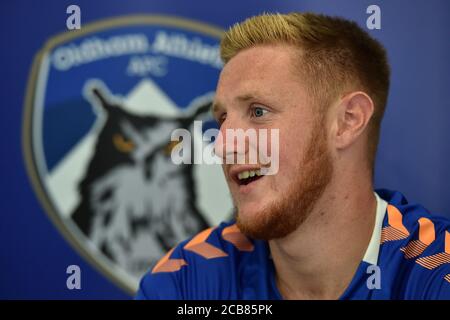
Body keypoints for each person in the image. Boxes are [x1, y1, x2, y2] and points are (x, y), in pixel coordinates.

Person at [136, 12, 450, 299]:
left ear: (347, 121)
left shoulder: (435, 271)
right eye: (222, 119)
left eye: (258, 111)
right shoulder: (184, 281)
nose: (221, 146)